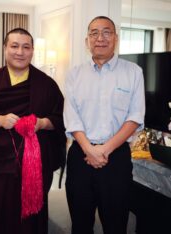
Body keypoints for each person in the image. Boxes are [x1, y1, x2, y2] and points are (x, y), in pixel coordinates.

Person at [0, 28, 66, 234]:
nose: (20, 52)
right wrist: (0, 120)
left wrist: (42, 123)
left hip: (34, 165)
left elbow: (61, 121)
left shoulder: (46, 85)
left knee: (31, 221)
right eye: (14, 46)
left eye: (26, 47)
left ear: (32, 51)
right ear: (5, 48)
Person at [63, 16, 145, 234]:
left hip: (116, 158)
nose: (100, 38)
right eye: (94, 33)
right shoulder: (74, 74)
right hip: (81, 156)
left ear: (115, 38)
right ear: (87, 40)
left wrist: (104, 150)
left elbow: (135, 117)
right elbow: (72, 118)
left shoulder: (134, 72)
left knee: (116, 224)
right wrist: (89, 149)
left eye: (106, 32)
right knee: (80, 224)